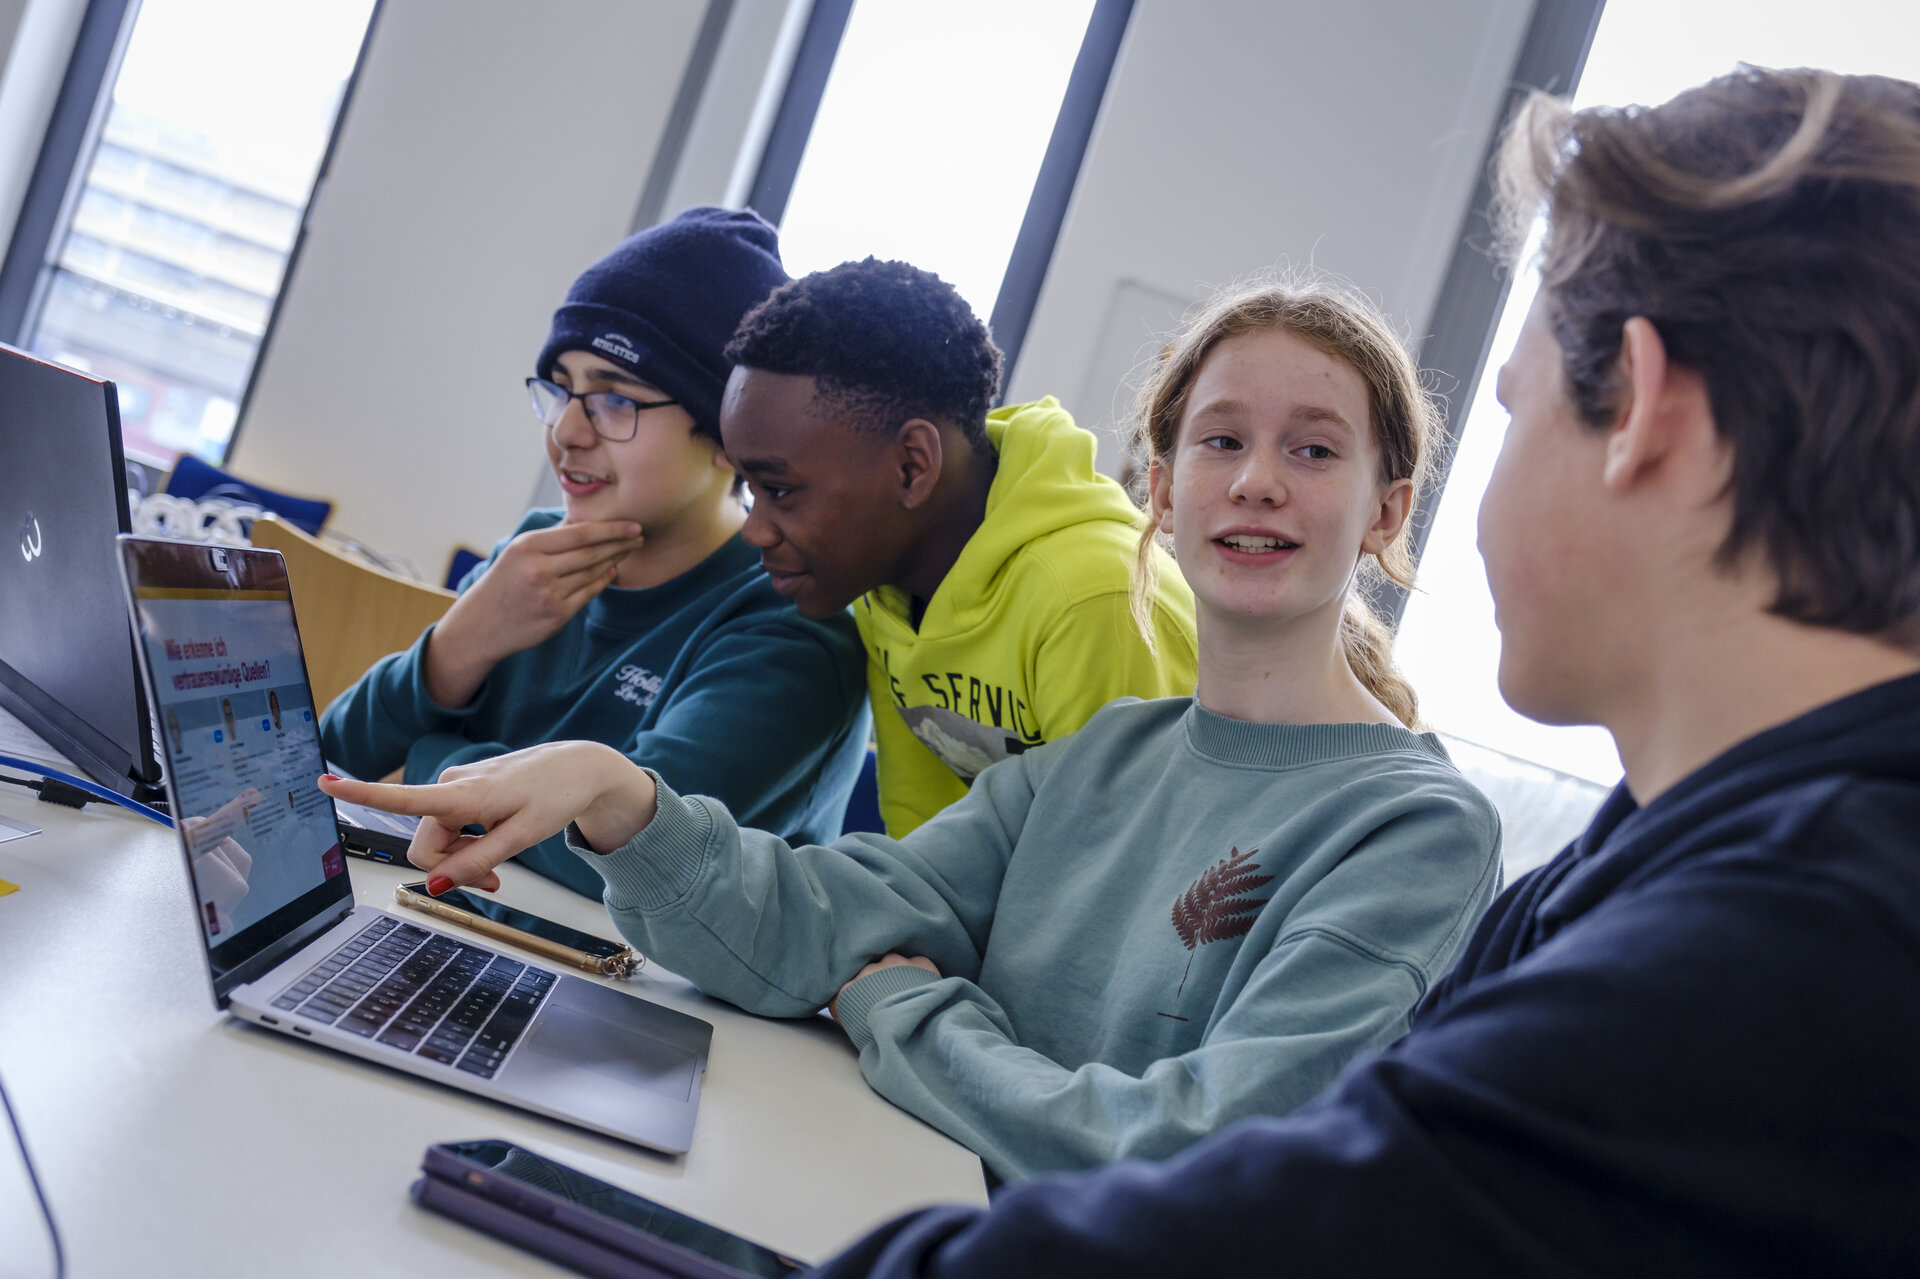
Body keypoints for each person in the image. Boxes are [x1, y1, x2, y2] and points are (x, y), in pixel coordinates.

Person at [753, 66, 1918, 1276]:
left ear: (1642, 411)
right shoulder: (1680, 853)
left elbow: (1239, 1224)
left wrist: (914, 1019)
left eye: (1515, 412)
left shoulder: (1775, 954)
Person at [320, 276, 1503, 1185]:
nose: (1255, 482)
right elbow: (813, 923)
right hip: (912, 1199)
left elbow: (1187, 1151)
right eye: (1222, 440)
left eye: (1313, 449)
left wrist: (908, 1010)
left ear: (1388, 510)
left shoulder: (1415, 827)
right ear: (1164, 483)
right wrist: (616, 796)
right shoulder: (1105, 758)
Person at [321, 207, 871, 897]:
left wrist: (426, 758)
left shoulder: (791, 628)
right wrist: (454, 650)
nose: (567, 431)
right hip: (464, 929)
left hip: (635, 988)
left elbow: (626, 854)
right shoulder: (533, 555)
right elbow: (337, 759)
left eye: (615, 399)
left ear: (731, 429)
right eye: (560, 389)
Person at [718, 257, 1199, 835]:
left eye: (779, 490)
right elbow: (921, 838)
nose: (755, 529)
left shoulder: (1092, 602)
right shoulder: (886, 586)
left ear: (912, 466)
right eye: (749, 489)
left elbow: (1120, 873)